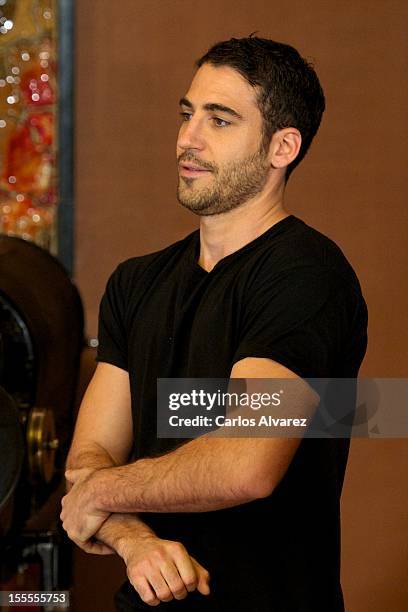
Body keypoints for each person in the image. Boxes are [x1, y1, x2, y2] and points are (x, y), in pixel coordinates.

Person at [60, 37, 368, 611]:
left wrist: (100, 492)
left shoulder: (306, 275)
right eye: (186, 113)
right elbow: (91, 452)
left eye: (219, 120)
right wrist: (135, 542)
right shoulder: (135, 283)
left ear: (282, 147)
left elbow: (247, 463)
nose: (187, 138)